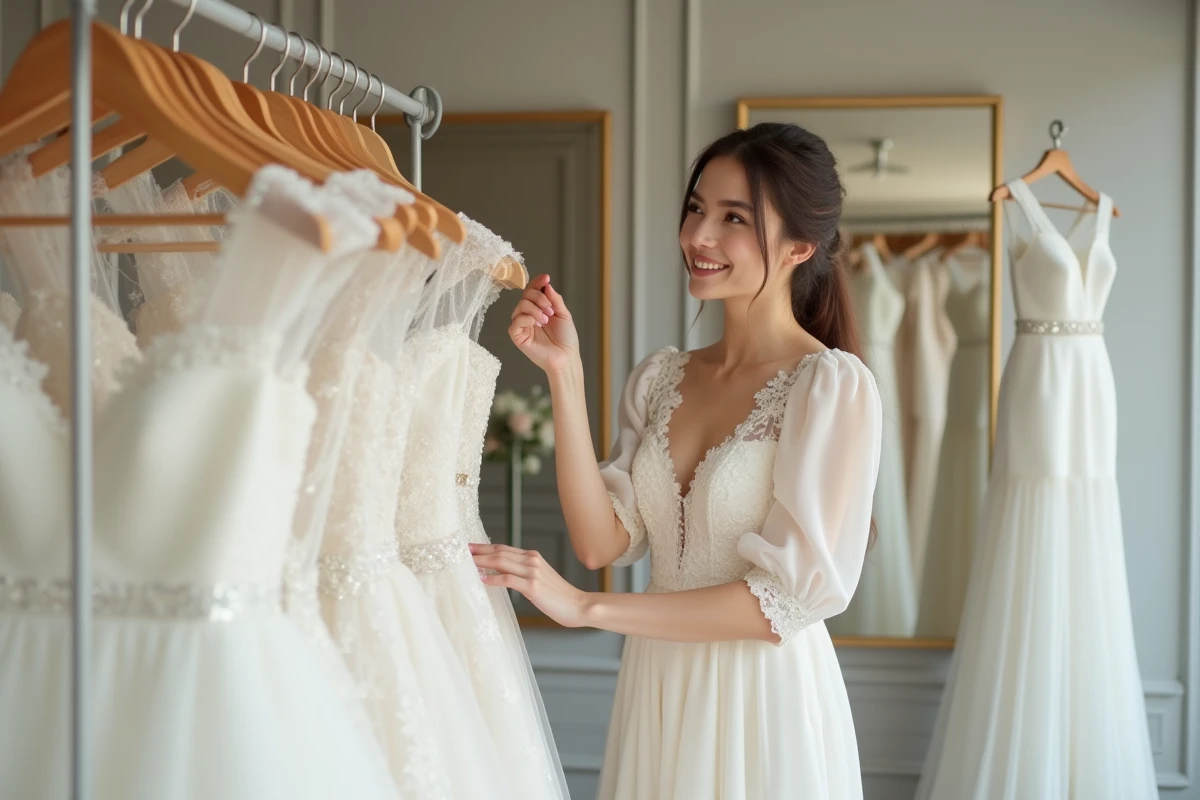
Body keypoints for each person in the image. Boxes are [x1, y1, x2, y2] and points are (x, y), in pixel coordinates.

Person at [470, 122, 883, 799]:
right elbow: (602, 540)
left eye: (733, 218)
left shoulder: (831, 388)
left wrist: (586, 609)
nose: (699, 236)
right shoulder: (661, 377)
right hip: (657, 686)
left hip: (763, 702)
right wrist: (565, 375)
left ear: (799, 247)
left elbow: (784, 601)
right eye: (696, 209)